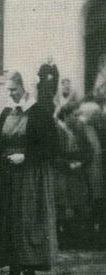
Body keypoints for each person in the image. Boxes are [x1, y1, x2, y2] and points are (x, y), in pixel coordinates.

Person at [0, 71, 60, 275]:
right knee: (10, 218)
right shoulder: (5, 112)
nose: (10, 93)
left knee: (29, 218)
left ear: (23, 88)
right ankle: (14, 271)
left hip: (32, 175)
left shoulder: (40, 111)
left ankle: (30, 271)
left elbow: (51, 146)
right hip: (9, 174)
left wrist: (26, 156)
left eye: (13, 89)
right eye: (8, 90)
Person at [54, 101, 92, 249]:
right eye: (73, 115)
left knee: (79, 205)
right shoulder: (56, 131)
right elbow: (52, 155)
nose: (76, 118)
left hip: (77, 174)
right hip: (61, 174)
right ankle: (63, 241)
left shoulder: (79, 129)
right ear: (65, 115)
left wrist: (81, 163)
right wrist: (66, 164)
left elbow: (89, 151)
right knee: (62, 207)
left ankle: (78, 240)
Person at [77, 100, 106, 238]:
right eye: (97, 114)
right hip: (88, 171)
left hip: (97, 171)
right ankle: (89, 234)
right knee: (89, 202)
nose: (99, 116)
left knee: (98, 201)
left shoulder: (94, 128)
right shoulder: (81, 127)